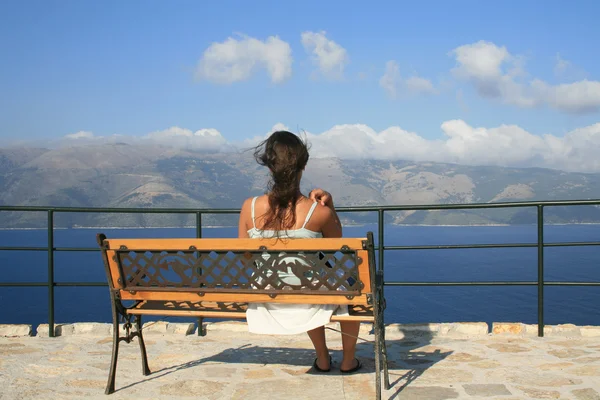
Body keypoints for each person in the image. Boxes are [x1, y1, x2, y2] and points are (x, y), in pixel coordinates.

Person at [237, 130, 362, 374]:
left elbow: (246, 257)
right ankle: (348, 361)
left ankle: (323, 358)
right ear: (302, 167)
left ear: (270, 167)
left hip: (266, 295)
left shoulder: (248, 208)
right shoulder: (318, 211)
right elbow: (336, 241)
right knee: (353, 286)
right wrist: (330, 205)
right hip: (310, 296)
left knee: (306, 281)